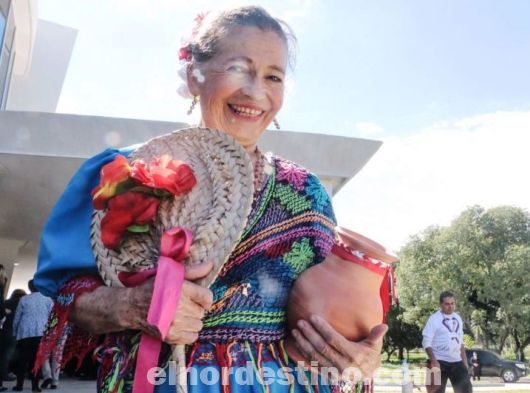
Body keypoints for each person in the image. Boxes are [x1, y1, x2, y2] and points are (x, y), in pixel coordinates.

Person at [33, 6, 387, 393]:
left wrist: (360, 354)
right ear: (193, 75)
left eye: (273, 76)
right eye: (238, 68)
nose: (255, 92)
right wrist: (133, 305)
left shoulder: (307, 193)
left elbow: (338, 315)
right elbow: (65, 293)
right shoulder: (126, 172)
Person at [423, 291, 472, 393]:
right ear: (441, 304)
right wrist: (433, 361)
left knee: (466, 390)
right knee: (434, 391)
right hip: (438, 361)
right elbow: (426, 342)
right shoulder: (434, 319)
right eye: (447, 304)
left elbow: (460, 342)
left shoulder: (457, 318)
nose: (450, 307)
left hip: (457, 361)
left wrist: (465, 362)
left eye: (452, 303)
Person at [12, 280, 53, 392]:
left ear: (29, 288)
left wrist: (15, 332)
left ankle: (19, 386)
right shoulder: (47, 299)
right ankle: (35, 387)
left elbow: (17, 317)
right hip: (41, 333)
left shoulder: (24, 299)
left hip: (25, 333)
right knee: (36, 361)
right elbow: (52, 317)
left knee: (22, 361)